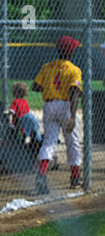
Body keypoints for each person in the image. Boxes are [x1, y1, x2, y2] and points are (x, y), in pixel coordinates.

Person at [31, 35, 83, 194]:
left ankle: (41, 175)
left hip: (49, 105)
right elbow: (74, 93)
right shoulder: (74, 69)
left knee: (49, 142)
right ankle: (75, 178)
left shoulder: (47, 67)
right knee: (72, 142)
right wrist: (73, 116)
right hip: (67, 105)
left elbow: (35, 87)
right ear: (72, 51)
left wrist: (49, 87)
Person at [9, 81, 42, 148]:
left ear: (17, 92)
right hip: (25, 125)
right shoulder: (25, 102)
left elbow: (12, 111)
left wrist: (7, 115)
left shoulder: (15, 101)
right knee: (23, 138)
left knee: (16, 138)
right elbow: (28, 112)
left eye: (13, 90)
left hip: (17, 124)